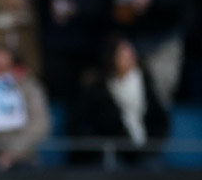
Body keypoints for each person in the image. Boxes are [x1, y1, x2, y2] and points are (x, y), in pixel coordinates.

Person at [70, 37, 169, 167]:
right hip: (110, 153)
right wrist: (103, 144)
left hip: (144, 152)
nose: (129, 58)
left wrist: (151, 144)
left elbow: (161, 120)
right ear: (113, 58)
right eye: (124, 55)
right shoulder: (98, 89)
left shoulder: (146, 84)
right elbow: (81, 122)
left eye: (131, 54)